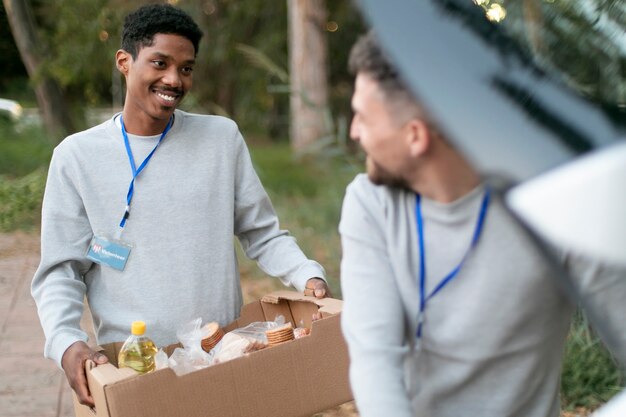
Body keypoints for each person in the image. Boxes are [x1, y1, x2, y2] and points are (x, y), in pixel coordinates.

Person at [31, 4, 330, 407]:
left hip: (224, 353)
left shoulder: (220, 140)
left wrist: (307, 274)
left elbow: (261, 232)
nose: (173, 79)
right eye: (160, 63)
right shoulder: (76, 156)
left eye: (186, 68)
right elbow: (61, 269)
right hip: (134, 366)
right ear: (124, 61)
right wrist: (67, 342)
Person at [338, 32, 624, 417]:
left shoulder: (553, 204)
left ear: (415, 136)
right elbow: (375, 361)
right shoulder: (369, 203)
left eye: (363, 117)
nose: (354, 131)